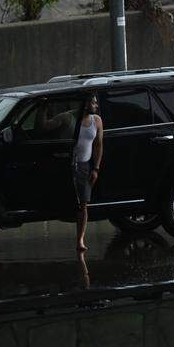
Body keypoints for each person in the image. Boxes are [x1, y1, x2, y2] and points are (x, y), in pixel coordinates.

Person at [72, 94, 103, 252]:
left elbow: (98, 145)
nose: (96, 106)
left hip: (85, 166)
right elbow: (45, 127)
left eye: (96, 103)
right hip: (69, 165)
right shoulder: (68, 118)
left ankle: (80, 239)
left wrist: (96, 168)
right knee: (72, 202)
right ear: (85, 103)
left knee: (83, 204)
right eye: (93, 102)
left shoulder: (96, 121)